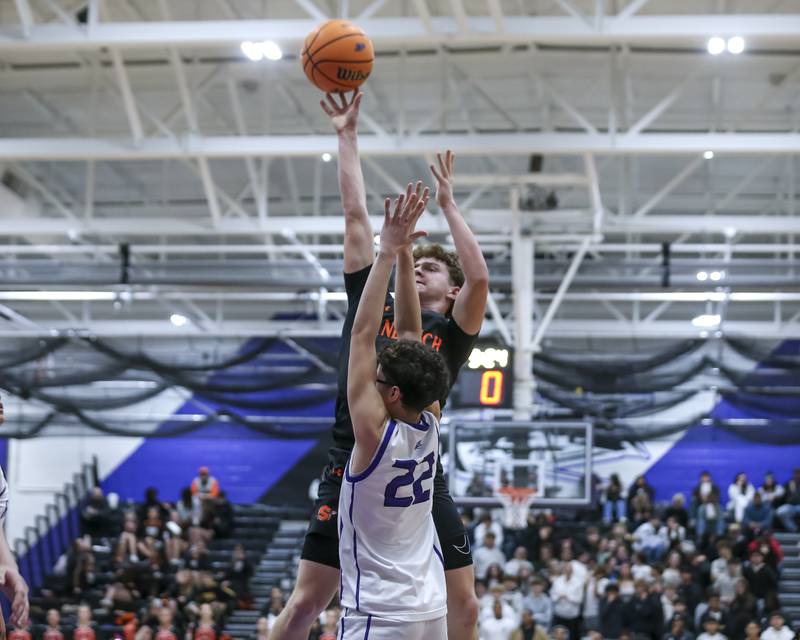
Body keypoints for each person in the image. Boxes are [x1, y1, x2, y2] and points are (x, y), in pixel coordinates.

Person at [272, 93, 488, 640]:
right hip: (353, 455)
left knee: (463, 604)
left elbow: (474, 286)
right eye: (423, 262)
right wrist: (347, 136)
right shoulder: (378, 299)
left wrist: (438, 214)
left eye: (436, 267)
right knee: (305, 603)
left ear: (452, 287)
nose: (424, 272)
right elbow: (354, 217)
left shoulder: (449, 334)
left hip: (412, 469)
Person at [336, 186, 449, 637]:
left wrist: (387, 252)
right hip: (429, 608)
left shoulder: (370, 433)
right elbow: (407, 330)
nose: (373, 375)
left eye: (379, 376)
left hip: (381, 614)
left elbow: (364, 332)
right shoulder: (431, 417)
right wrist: (403, 254)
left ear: (393, 393)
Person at [776, 468, 800, 532]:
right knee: (780, 511)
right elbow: (781, 493)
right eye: (796, 474)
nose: (797, 476)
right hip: (790, 506)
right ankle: (794, 529)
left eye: (798, 474)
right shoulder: (789, 483)